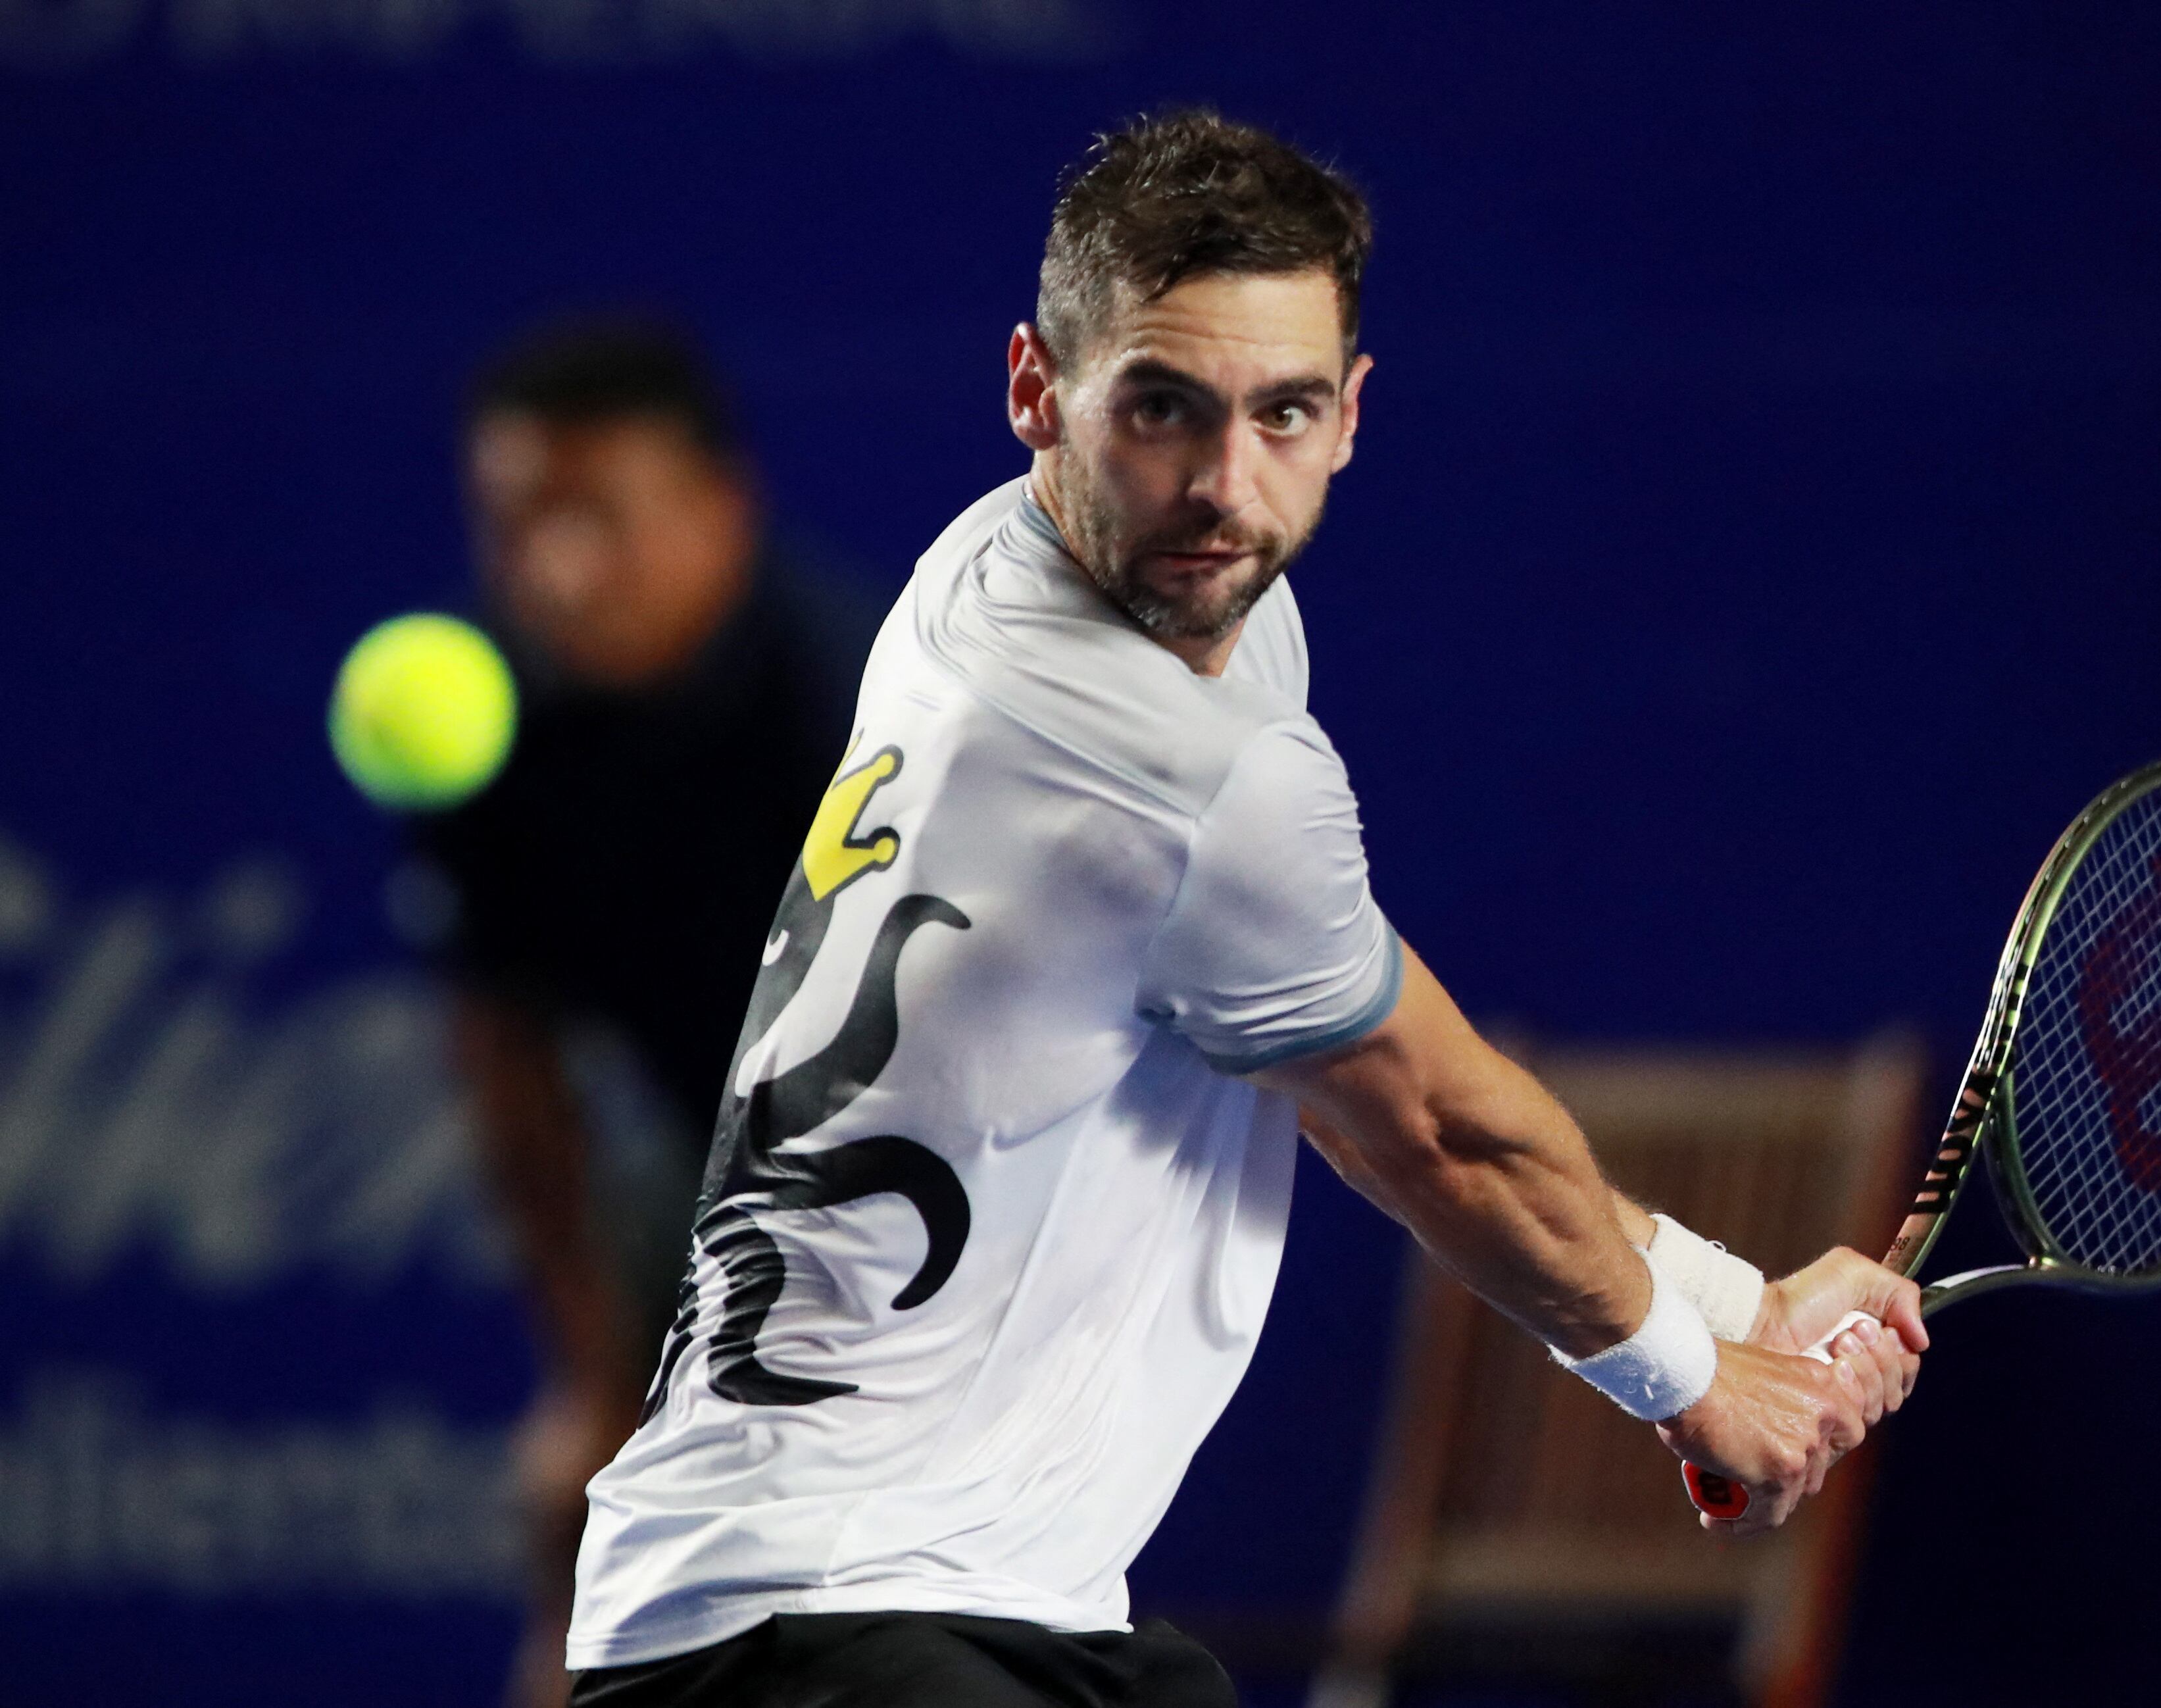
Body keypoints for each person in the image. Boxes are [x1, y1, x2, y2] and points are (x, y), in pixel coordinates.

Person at [562, 113, 1927, 1708]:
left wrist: (1743, 1304)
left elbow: (1353, 1083)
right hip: (820, 1617)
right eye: (1162, 407)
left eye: (1283, 411)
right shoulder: (1176, 766)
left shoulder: (1020, 573)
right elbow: (1436, 1126)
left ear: (1350, 413)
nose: (1224, 486)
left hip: (958, 1600)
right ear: (1035, 389)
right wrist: (1699, 1383)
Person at [407, 322, 883, 1708]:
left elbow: (946, 1086)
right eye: (516, 522)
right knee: (581, 1515)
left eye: (597, 518)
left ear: (720, 511)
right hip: (717, 1147)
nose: (553, 569)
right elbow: (513, 1068)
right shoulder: (491, 717)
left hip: (952, 1169)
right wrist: (591, 1380)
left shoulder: (860, 717)